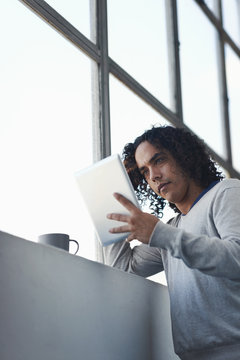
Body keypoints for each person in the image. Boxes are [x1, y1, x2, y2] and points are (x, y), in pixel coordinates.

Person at [103, 125, 240, 360]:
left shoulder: (227, 192)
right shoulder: (173, 228)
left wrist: (159, 233)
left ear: (184, 156)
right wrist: (114, 198)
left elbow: (236, 258)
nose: (154, 176)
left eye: (159, 160)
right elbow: (122, 268)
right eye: (145, 172)